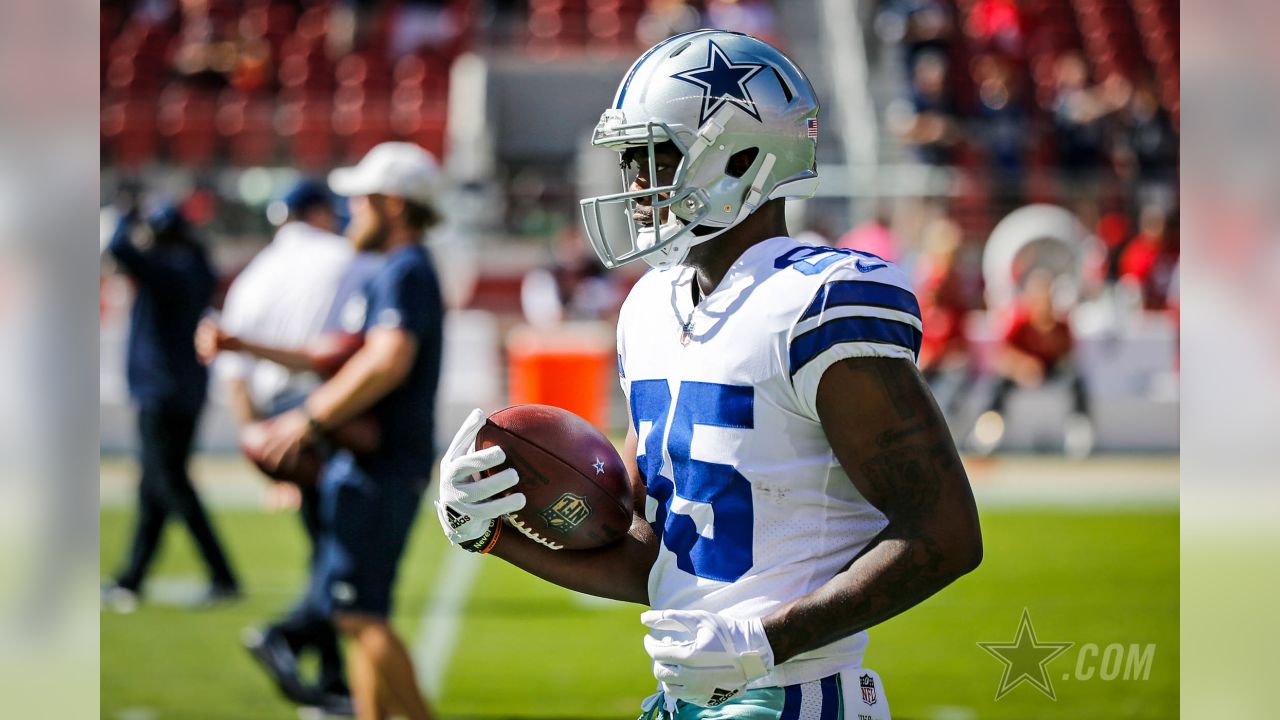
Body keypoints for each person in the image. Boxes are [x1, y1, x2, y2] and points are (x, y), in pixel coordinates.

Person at [436, 31, 982, 719]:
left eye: (652, 157)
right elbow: (650, 558)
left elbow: (946, 533)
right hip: (683, 698)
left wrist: (765, 642)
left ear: (740, 156)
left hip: (797, 698)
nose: (634, 184)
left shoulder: (817, 301)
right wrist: (490, 529)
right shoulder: (651, 307)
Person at [249, 142, 445, 720]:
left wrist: (308, 419)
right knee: (359, 615)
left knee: (359, 615)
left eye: (361, 200)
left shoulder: (405, 269)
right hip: (371, 464)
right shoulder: (397, 269)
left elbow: (388, 360)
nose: (349, 210)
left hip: (380, 466)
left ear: (394, 204)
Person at [195, 179, 356, 714]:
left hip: (272, 419)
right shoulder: (344, 256)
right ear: (319, 213)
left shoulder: (253, 275)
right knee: (344, 550)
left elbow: (234, 373)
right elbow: (346, 352)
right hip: (329, 413)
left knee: (325, 547)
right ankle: (292, 638)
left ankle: (332, 678)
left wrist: (262, 446)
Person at [102, 201, 240, 611]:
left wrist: (126, 216)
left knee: (169, 484)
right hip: (183, 392)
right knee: (154, 488)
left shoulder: (168, 271)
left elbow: (118, 248)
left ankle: (222, 573)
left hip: (162, 393)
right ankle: (133, 577)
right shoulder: (195, 266)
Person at [969, 269, 1094, 458]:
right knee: (997, 385)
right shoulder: (1019, 322)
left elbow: (1069, 356)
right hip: (1022, 372)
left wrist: (1051, 344)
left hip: (1049, 370)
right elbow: (1000, 357)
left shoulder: (1061, 326)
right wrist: (1021, 366)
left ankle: (1079, 432)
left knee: (1076, 379)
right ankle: (988, 431)